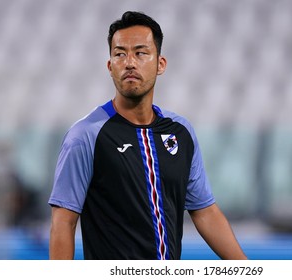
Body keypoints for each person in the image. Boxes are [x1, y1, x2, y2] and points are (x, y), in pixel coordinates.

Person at [48, 11, 247, 260]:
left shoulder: (181, 132)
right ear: (110, 66)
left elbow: (204, 211)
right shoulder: (86, 135)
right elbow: (63, 223)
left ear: (160, 64)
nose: (129, 62)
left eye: (140, 53)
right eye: (120, 54)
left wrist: (246, 269)